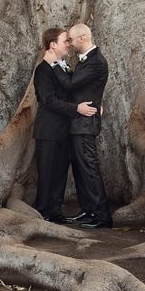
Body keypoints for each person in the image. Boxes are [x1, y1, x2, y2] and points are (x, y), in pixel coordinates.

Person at [33, 28, 96, 223]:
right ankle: (43, 212)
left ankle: (55, 211)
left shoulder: (64, 66)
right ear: (53, 45)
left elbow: (73, 90)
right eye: (64, 41)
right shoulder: (42, 70)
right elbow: (49, 101)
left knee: (60, 173)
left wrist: (96, 105)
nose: (68, 44)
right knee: (47, 173)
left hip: (64, 130)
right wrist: (76, 108)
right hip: (48, 130)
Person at [53, 23, 112, 229]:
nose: (68, 43)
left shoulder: (96, 61)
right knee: (80, 169)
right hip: (78, 123)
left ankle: (102, 216)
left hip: (86, 124)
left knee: (89, 168)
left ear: (82, 38)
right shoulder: (85, 61)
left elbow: (71, 85)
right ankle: (88, 210)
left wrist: (54, 64)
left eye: (70, 39)